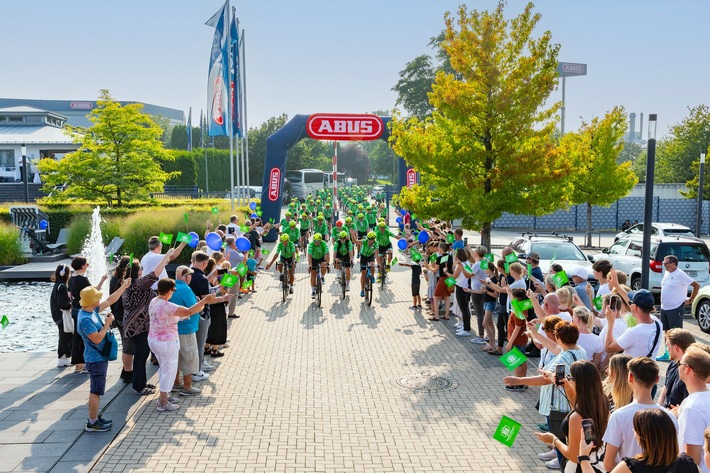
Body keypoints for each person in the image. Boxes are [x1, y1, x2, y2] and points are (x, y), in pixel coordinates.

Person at [504, 321, 587, 469]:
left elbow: (545, 380)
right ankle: (559, 456)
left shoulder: (564, 357)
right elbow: (553, 347)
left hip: (560, 405)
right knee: (564, 438)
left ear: (559, 338)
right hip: (570, 402)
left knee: (562, 438)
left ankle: (562, 463)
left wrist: (519, 380)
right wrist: (534, 333)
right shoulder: (579, 350)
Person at [148, 278, 215, 412]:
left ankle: (165, 396)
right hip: (167, 342)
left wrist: (186, 314)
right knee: (169, 370)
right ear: (169, 292)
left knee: (164, 368)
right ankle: (162, 401)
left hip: (154, 340)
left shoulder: (154, 301)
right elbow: (188, 311)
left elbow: (177, 315)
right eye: (172, 291)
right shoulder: (167, 305)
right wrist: (205, 300)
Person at [602, 357, 679, 471]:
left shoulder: (619, 416)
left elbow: (608, 464)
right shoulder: (670, 416)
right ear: (657, 379)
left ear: (630, 377)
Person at [534, 360, 609, 473]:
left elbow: (573, 455)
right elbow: (577, 405)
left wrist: (553, 440)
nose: (568, 379)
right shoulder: (602, 401)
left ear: (578, 382)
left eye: (570, 377)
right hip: (597, 463)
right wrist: (566, 385)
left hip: (577, 467)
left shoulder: (576, 417)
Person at [76, 280, 131, 432]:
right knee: (96, 391)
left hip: (98, 357)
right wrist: (108, 323)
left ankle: (94, 418)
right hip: (95, 359)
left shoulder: (89, 311)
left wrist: (123, 286)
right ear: (92, 301)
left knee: (97, 390)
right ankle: (92, 422)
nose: (100, 299)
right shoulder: (85, 319)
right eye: (97, 297)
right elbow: (97, 338)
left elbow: (110, 299)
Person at [123, 247, 177, 395]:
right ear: (138, 271)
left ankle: (140, 382)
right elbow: (156, 273)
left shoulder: (127, 283)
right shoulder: (139, 283)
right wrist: (166, 256)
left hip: (132, 324)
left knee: (140, 354)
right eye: (141, 268)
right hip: (138, 326)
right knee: (141, 355)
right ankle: (139, 387)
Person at [657, 255, 700, 361]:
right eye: (664, 263)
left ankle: (680, 355)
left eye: (666, 263)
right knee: (666, 332)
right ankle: (667, 353)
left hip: (675, 308)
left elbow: (696, 285)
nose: (664, 265)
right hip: (665, 307)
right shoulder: (667, 272)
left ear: (673, 264)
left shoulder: (680, 274)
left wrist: (690, 300)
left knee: (676, 333)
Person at [69, 256, 107, 374]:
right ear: (82, 266)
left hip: (75, 308)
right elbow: (93, 293)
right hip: (84, 308)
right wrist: (102, 280)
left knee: (77, 335)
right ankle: (86, 363)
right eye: (86, 264)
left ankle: (78, 363)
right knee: (86, 336)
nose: (88, 265)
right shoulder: (82, 279)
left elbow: (70, 294)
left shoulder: (71, 278)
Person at [675, 344, 710, 471]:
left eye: (680, 364)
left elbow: (693, 458)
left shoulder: (692, 407)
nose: (677, 366)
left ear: (687, 369)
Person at [604, 290, 663, 361]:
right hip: (649, 369)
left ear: (634, 307)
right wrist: (617, 286)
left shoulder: (633, 332)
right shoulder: (658, 323)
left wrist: (610, 322)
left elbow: (608, 348)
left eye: (630, 302)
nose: (629, 304)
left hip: (633, 371)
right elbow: (639, 308)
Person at [189, 251, 214, 380]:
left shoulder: (187, 275)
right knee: (199, 344)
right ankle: (197, 371)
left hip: (188, 313)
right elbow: (206, 299)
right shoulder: (202, 278)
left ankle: (192, 369)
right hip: (202, 314)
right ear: (204, 263)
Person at [109, 256, 134, 384]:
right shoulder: (123, 282)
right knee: (127, 345)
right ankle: (127, 371)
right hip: (123, 315)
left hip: (117, 315)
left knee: (125, 343)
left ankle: (126, 370)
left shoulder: (114, 279)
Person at [659, 329, 696, 410]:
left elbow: (688, 406)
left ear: (676, 348)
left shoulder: (689, 373)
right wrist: (659, 409)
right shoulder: (672, 364)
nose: (666, 349)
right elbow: (665, 390)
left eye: (667, 345)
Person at [50, 264, 73, 367]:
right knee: (65, 336)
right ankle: (63, 358)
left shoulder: (57, 285)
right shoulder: (63, 287)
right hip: (61, 315)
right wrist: (72, 304)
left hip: (56, 315)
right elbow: (63, 305)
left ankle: (65, 357)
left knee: (64, 335)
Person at [447, 248, 473, 335]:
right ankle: (465, 326)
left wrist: (446, 273)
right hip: (466, 287)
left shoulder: (460, 265)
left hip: (461, 287)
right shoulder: (467, 263)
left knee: (464, 309)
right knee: (465, 309)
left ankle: (466, 329)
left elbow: (454, 277)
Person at [430, 242, 453, 321]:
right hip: (450, 278)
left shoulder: (439, 258)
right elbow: (452, 268)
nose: (438, 249)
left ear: (442, 249)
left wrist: (428, 267)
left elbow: (435, 270)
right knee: (447, 297)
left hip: (443, 278)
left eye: (439, 248)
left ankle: (436, 315)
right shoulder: (450, 257)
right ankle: (446, 315)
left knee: (435, 296)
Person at [307, 233, 330, 299]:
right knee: (313, 274)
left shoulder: (324, 244)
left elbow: (327, 254)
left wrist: (327, 263)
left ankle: (322, 277)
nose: (316, 242)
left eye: (317, 241)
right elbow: (309, 256)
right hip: (313, 259)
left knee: (324, 265)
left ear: (320, 240)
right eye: (315, 241)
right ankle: (313, 291)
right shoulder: (311, 245)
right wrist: (310, 265)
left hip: (321, 258)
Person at [358, 231, 379, 299]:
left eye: (371, 239)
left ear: (374, 239)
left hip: (370, 255)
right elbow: (356, 241)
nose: (370, 240)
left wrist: (378, 263)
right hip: (363, 256)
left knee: (372, 265)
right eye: (369, 239)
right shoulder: (365, 241)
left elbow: (376, 253)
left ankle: (372, 276)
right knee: (363, 275)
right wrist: (353, 235)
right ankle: (362, 290)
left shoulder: (376, 244)